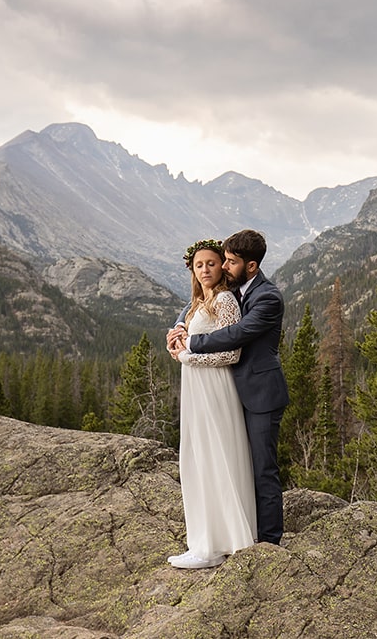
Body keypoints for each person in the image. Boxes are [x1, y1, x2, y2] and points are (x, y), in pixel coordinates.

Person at [168, 229, 289, 547]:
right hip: (228, 390)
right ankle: (241, 529)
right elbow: (200, 298)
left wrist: (189, 345)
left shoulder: (268, 298)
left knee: (262, 468)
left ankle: (270, 540)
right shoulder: (233, 287)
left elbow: (236, 334)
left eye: (229, 262)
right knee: (235, 462)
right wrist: (181, 324)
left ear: (250, 266)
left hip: (260, 393)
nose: (221, 267)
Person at [167, 238, 257, 570]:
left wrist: (187, 358)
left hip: (214, 386)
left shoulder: (225, 301)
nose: (205, 269)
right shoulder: (196, 302)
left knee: (214, 457)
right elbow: (186, 340)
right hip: (195, 386)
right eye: (199, 265)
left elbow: (231, 353)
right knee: (197, 457)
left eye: (211, 263)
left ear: (222, 266)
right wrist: (177, 343)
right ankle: (203, 540)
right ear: (192, 269)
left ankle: (216, 545)